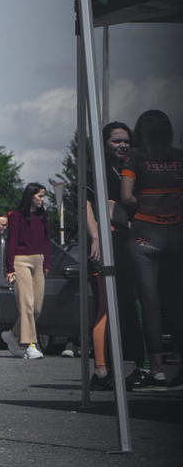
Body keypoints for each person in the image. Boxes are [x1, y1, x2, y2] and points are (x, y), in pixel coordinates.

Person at [122, 109, 183, 390]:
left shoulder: (134, 156)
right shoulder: (179, 157)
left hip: (145, 234)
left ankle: (156, 371)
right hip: (176, 234)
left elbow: (126, 196)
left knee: (149, 305)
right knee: (173, 304)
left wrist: (145, 202)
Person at [85, 121, 140, 387]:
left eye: (126, 140)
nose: (122, 145)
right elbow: (86, 205)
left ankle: (124, 366)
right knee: (105, 307)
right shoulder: (94, 170)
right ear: (104, 144)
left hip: (126, 241)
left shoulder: (129, 169)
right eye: (116, 141)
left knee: (125, 306)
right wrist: (96, 238)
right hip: (106, 241)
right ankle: (101, 371)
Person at [2, 182, 51, 360]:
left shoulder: (42, 215)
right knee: (27, 305)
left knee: (36, 308)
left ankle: (12, 335)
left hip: (39, 261)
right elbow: (12, 241)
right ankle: (30, 345)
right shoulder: (17, 216)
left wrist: (47, 263)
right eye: (40, 196)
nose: (42, 199)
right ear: (31, 196)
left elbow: (47, 240)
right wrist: (10, 268)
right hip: (21, 261)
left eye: (44, 196)